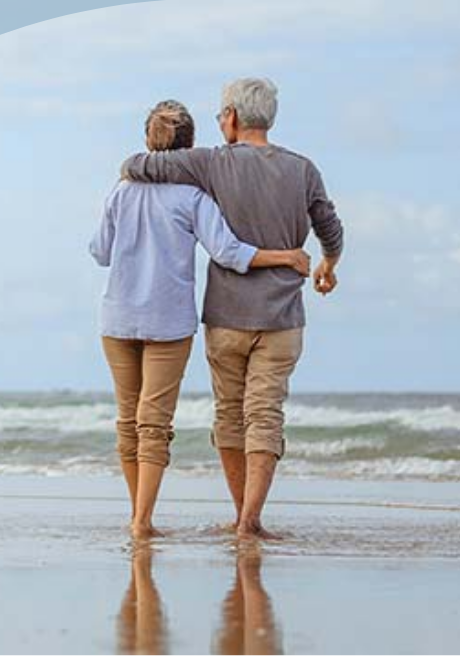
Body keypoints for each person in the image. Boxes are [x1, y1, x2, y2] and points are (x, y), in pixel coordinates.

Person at [120, 79, 345, 540]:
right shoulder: (303, 169)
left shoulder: (211, 163)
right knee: (265, 414)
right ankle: (250, 521)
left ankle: (240, 512)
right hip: (283, 318)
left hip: (226, 316)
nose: (221, 121)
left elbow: (135, 166)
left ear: (233, 118)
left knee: (230, 414)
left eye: (222, 115)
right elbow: (330, 225)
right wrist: (328, 264)